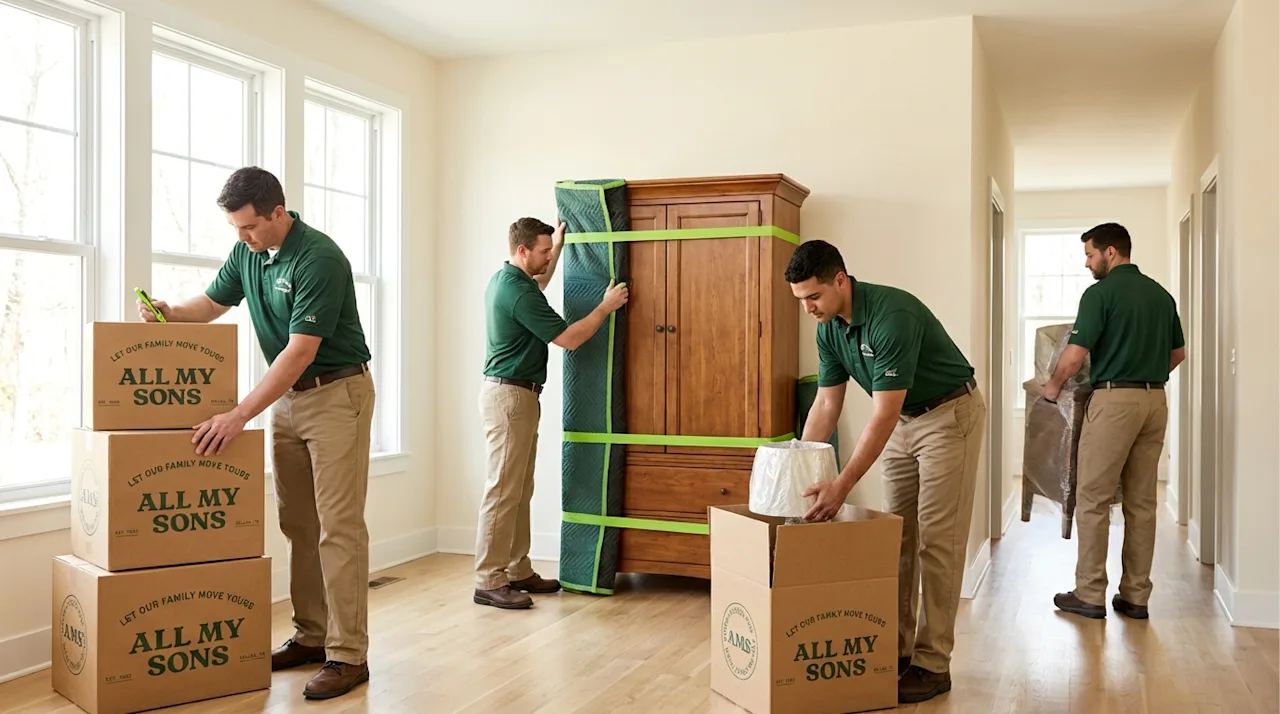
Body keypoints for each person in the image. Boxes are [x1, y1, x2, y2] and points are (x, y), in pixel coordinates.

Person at [137, 166, 376, 701]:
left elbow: (300, 350)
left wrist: (239, 414)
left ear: (277, 213)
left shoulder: (319, 257)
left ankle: (348, 655)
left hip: (337, 394)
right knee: (298, 523)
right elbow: (211, 305)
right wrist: (171, 314)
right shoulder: (247, 251)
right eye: (235, 228)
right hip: (287, 399)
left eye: (248, 226)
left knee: (338, 527)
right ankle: (312, 636)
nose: (242, 237)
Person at [785, 239, 986, 705]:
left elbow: (882, 414)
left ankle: (933, 664)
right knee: (896, 537)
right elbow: (826, 403)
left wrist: (842, 485)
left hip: (947, 416)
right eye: (800, 299)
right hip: (902, 419)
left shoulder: (892, 316)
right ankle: (895, 651)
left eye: (813, 296)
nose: (808, 308)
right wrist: (800, 466)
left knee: (938, 541)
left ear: (840, 280)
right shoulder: (828, 328)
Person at [474, 217, 628, 610]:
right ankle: (489, 580)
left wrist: (556, 247)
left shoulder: (512, 281)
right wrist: (605, 307)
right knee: (503, 491)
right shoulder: (517, 291)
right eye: (542, 251)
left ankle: (516, 569)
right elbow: (570, 339)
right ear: (522, 250)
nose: (547, 258)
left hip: (516, 396)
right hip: (510, 399)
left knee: (518, 490)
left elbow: (540, 282)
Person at [1042, 222, 1185, 621]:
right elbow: (1178, 354)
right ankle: (1136, 596)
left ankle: (1089, 593)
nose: (1087, 263)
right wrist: (1146, 374)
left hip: (1114, 401)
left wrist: (1053, 386)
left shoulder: (1100, 294)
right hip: (1154, 400)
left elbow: (1074, 356)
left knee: (1093, 498)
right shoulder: (1160, 295)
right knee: (1142, 502)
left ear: (1110, 252)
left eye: (1090, 255)